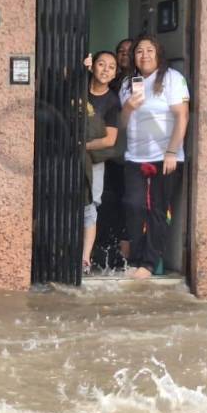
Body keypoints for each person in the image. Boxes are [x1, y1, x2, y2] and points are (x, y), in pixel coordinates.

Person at [118, 35, 189, 280]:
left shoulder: (172, 78)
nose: (144, 55)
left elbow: (182, 116)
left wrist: (172, 151)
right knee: (133, 205)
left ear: (158, 54)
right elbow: (122, 124)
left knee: (158, 210)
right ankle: (136, 259)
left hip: (165, 157)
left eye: (150, 50)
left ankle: (148, 265)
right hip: (135, 156)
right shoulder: (128, 83)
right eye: (139, 51)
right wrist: (128, 107)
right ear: (133, 57)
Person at [81, 51, 121, 274]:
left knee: (90, 206)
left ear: (115, 74)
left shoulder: (113, 101)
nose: (105, 69)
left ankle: (84, 259)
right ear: (92, 66)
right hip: (66, 157)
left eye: (111, 67)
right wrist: (79, 70)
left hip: (93, 160)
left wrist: (82, 146)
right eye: (101, 64)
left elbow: (110, 139)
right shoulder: (78, 88)